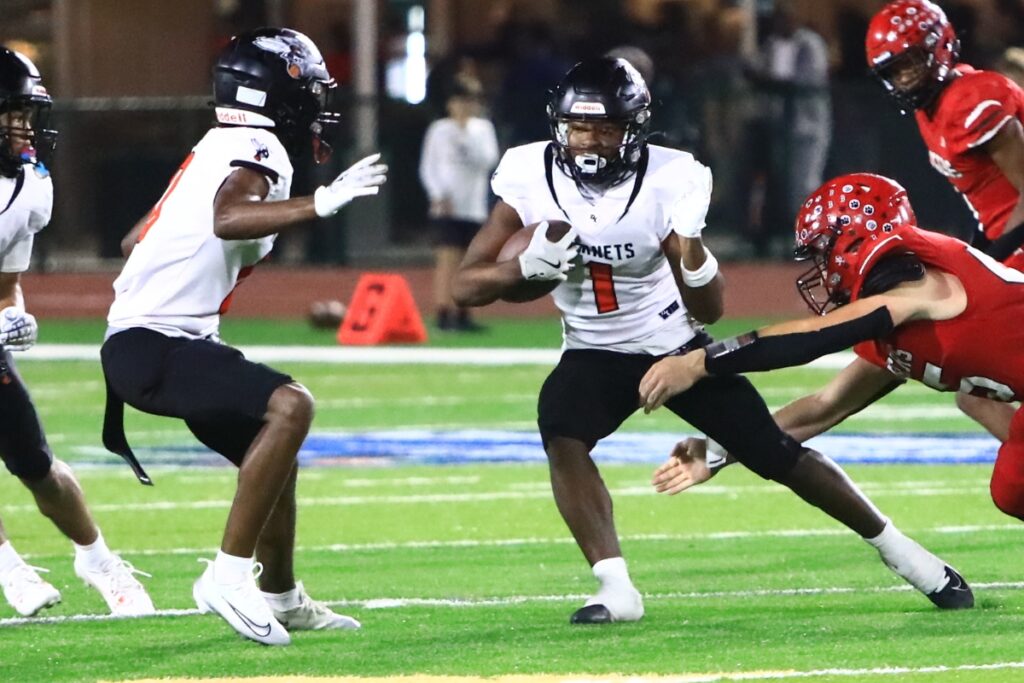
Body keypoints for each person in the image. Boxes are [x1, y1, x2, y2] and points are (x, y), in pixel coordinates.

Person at [453, 58, 972, 625]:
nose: (591, 143)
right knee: (562, 428)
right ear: (559, 126)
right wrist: (521, 268)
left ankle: (911, 559)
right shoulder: (530, 173)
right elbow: (465, 284)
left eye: (606, 129)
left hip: (676, 345)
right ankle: (616, 589)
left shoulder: (672, 176)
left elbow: (711, 308)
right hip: (592, 348)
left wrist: (693, 252)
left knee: (774, 451)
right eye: (580, 128)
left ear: (634, 128)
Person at [103, 29, 386, 646]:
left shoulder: (219, 143)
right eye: (309, 89)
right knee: (293, 405)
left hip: (158, 340)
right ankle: (228, 575)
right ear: (276, 92)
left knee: (273, 453)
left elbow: (133, 242)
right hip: (155, 342)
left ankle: (282, 596)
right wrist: (321, 203)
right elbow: (228, 218)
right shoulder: (259, 144)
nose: (317, 102)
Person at [640, 174, 1024, 542]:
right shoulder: (892, 314)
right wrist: (720, 450)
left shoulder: (918, 291)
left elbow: (809, 339)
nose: (821, 269)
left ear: (857, 241)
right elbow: (826, 406)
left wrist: (699, 362)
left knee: (1013, 482)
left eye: (824, 251)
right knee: (1006, 471)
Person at [0, 47, 154, 618]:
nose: (25, 126)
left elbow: (5, 284)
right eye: (11, 112)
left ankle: (98, 560)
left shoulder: (28, 187)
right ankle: (9, 569)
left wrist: (11, 313)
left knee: (36, 464)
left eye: (26, 111)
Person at [865, 0, 1024, 440]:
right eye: (894, 69)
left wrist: (987, 263)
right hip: (1012, 245)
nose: (905, 77)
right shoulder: (930, 110)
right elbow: (989, 199)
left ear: (940, 46)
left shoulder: (971, 100)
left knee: (978, 383)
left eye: (911, 62)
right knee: (978, 386)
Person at [419, 74, 499, 331]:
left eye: (470, 101)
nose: (465, 106)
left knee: (469, 262)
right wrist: (438, 195)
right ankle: (444, 313)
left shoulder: (482, 129)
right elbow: (428, 167)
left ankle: (464, 313)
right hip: (446, 207)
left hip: (473, 207)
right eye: (460, 101)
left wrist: (465, 134)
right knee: (447, 260)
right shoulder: (439, 130)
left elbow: (487, 160)